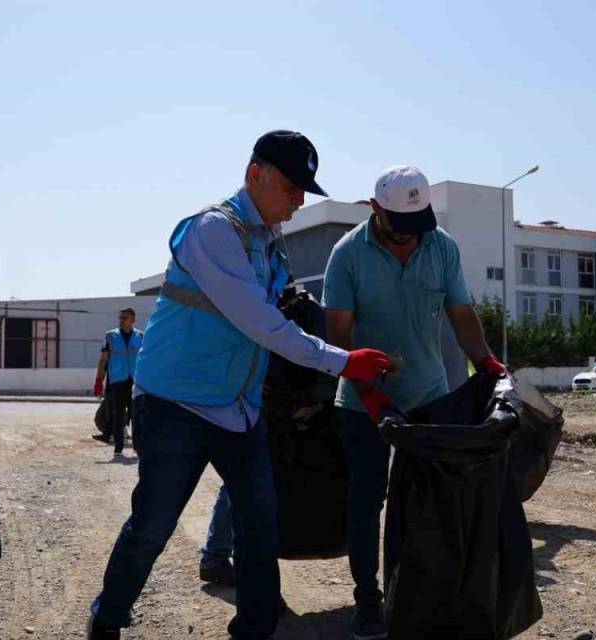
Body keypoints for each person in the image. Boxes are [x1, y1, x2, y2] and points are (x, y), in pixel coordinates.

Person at [85, 130, 392, 640]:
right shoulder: (213, 231)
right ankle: (109, 616)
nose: (298, 200)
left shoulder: (271, 244)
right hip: (175, 404)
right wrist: (341, 362)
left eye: (303, 191)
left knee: (259, 525)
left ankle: (254, 629)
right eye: (292, 187)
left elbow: (281, 310)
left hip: (239, 409)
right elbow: (259, 322)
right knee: (153, 525)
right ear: (256, 175)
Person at [321, 164, 507, 639]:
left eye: (415, 230)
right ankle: (368, 601)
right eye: (398, 230)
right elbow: (338, 337)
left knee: (433, 501)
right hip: (362, 402)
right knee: (366, 502)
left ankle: (427, 595)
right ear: (374, 209)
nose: (408, 241)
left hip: (428, 395)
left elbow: (461, 314)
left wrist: (486, 362)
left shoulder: (441, 246)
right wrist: (367, 388)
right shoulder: (346, 256)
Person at [93, 308, 143, 456]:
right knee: (118, 413)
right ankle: (118, 448)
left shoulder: (141, 336)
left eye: (125, 318)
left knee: (136, 413)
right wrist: (98, 380)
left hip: (135, 380)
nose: (122, 321)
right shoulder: (110, 336)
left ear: (133, 320)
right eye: (120, 318)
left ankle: (137, 446)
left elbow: (146, 360)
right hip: (117, 380)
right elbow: (103, 359)